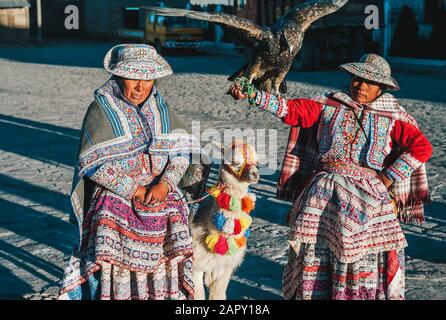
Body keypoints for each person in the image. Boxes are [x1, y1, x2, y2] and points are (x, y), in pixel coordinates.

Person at [228, 54, 432, 300]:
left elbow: (422, 148)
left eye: (369, 82)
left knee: (363, 256)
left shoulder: (393, 117)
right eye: (357, 78)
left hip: (369, 199)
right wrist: (253, 94)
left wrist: (388, 178)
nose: (361, 85)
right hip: (325, 194)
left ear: (382, 87)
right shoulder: (328, 104)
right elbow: (290, 110)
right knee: (317, 252)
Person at [59, 44, 202, 300]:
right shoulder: (100, 111)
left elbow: (180, 153)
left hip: (160, 194)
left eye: (147, 78)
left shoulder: (162, 110)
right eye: (132, 77)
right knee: (109, 231)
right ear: (117, 76)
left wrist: (165, 185)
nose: (140, 86)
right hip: (116, 196)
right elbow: (95, 164)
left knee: (176, 225)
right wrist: (134, 189)